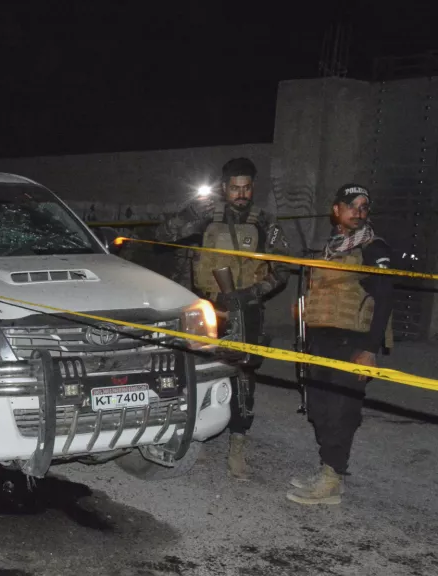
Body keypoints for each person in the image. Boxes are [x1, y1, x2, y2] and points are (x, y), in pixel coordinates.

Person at [156, 157, 290, 480]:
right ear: (224, 188)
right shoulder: (206, 216)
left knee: (243, 377)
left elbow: (283, 269)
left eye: (246, 188)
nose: (241, 194)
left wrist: (254, 293)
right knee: (197, 370)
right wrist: (191, 210)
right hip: (207, 306)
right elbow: (162, 234)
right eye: (235, 188)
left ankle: (237, 446)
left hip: (246, 308)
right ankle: (196, 436)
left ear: (253, 188)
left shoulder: (265, 223)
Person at [287, 184, 394, 505]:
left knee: (341, 411)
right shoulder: (331, 248)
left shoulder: (375, 249)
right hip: (321, 341)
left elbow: (386, 301)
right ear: (337, 210)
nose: (359, 212)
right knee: (319, 408)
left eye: (364, 207)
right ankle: (327, 470)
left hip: (352, 342)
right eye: (352, 206)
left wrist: (370, 349)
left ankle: (333, 479)